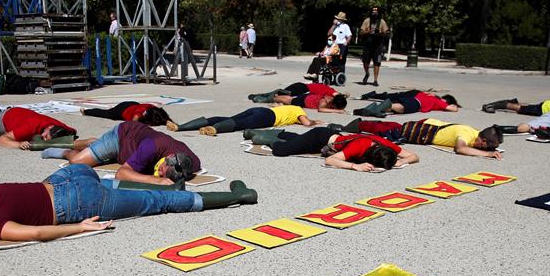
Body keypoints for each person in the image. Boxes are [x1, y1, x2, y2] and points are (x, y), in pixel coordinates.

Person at [0, 166, 259, 242]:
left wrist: (80, 226)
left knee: (156, 203)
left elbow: (40, 232)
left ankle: (237, 196)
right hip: (67, 176)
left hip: (75, 201)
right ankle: (170, 184)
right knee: (120, 186)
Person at [40, 121, 201, 187]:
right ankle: (67, 150)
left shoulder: (191, 162)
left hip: (135, 145)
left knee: (100, 150)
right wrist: (155, 180)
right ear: (167, 158)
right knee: (77, 161)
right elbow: (121, 174)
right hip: (120, 138)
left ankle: (94, 144)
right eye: (162, 170)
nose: (159, 173)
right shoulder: (151, 147)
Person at [243, 127, 418, 171]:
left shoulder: (386, 146)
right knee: (281, 150)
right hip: (320, 138)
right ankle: (266, 136)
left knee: (297, 141)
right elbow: (330, 160)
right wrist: (354, 166)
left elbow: (414, 156)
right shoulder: (360, 147)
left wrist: (401, 160)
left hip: (334, 137)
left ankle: (283, 134)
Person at [167, 105, 325, 136]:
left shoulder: (288, 106)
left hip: (262, 110)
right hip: (269, 117)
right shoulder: (299, 110)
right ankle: (215, 129)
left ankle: (180, 127)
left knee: (229, 118)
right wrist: (314, 122)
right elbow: (305, 123)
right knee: (241, 125)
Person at [384, 118, 504, 159]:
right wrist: (487, 154)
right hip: (422, 128)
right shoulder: (466, 133)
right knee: (380, 129)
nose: (491, 149)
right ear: (483, 141)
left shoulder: (477, 133)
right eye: (491, 146)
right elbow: (460, 149)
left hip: (431, 125)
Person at [0, 106, 77, 149]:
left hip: (21, 115)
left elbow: (73, 132)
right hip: (4, 119)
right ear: (50, 127)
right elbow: (1, 140)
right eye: (45, 135)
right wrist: (19, 144)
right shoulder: (30, 127)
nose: (43, 139)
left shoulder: (64, 129)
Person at [248, 82, 348, 113]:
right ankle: (265, 98)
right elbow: (320, 109)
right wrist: (337, 111)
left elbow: (339, 96)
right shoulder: (325, 101)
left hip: (307, 96)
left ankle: (263, 97)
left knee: (285, 97)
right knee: (286, 99)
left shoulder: (329, 96)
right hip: (304, 98)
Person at [354, 90, 460, 116]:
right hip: (417, 102)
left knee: (394, 98)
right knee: (403, 108)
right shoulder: (439, 101)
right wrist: (454, 106)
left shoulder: (430, 95)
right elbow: (453, 109)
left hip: (414, 95)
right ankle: (384, 106)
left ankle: (373, 103)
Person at [359, 6, 389, 86]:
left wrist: (380, 33)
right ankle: (367, 73)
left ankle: (375, 80)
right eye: (373, 11)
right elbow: (361, 32)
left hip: (378, 45)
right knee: (365, 62)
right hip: (368, 45)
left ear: (378, 12)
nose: (374, 12)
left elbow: (386, 32)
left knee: (377, 63)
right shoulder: (367, 21)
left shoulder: (382, 22)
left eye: (376, 11)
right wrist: (368, 31)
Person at [80, 102, 172, 126]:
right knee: (106, 113)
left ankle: (86, 111)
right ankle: (86, 111)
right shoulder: (140, 113)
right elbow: (133, 122)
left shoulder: (154, 109)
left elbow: (164, 118)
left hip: (132, 104)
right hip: (122, 110)